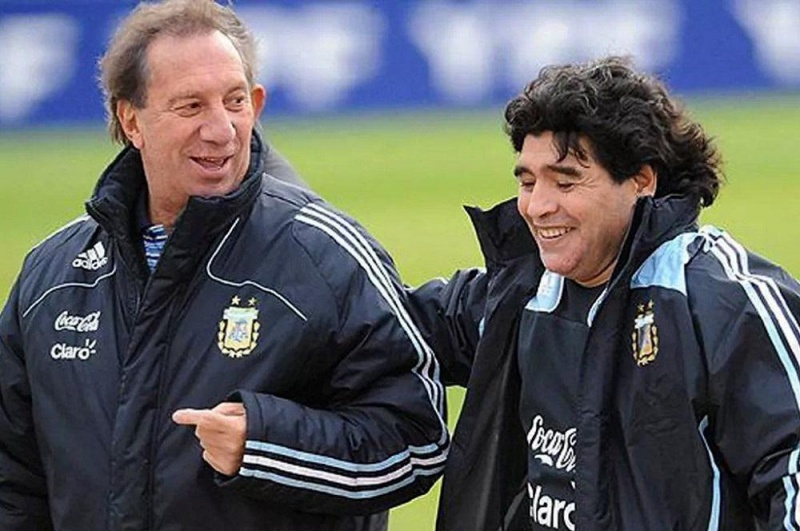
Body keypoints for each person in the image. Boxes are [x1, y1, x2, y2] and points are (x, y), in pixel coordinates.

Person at [0, 1, 448, 530]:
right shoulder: (52, 277)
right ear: (131, 120)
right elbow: (13, 480)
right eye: (191, 106)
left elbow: (415, 440)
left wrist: (267, 447)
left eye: (234, 101)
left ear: (256, 104)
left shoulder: (326, 257)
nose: (221, 130)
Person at [409, 55, 800, 530]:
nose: (538, 206)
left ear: (641, 180)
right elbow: (379, 323)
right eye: (528, 182)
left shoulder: (723, 301)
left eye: (566, 181)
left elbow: (791, 466)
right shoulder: (515, 295)